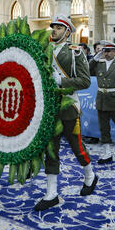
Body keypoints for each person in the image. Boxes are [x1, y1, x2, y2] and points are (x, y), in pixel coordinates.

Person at [35, 15, 97, 211]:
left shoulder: (75, 52)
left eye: (59, 28)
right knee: (50, 149)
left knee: (76, 146)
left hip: (69, 105)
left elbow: (85, 81)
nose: (54, 30)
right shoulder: (46, 50)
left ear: (68, 31)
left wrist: (61, 81)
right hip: (50, 107)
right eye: (53, 27)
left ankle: (90, 175)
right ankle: (51, 193)